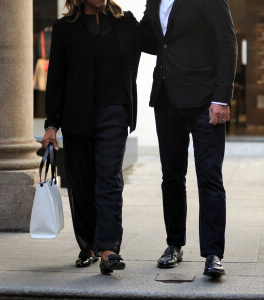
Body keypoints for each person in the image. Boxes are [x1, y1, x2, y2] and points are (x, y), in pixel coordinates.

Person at [42, 0, 153, 275]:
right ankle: (88, 245)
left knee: (109, 179)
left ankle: (108, 250)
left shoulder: (124, 20)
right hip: (77, 115)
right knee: (82, 182)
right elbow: (56, 76)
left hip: (115, 112)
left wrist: (154, 7)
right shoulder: (65, 27)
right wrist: (51, 125)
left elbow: (151, 43)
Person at [139, 0, 237, 277]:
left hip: (205, 100)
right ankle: (174, 245)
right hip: (166, 98)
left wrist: (222, 98)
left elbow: (228, 44)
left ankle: (213, 253)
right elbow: (153, 39)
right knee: (171, 176)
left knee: (209, 177)